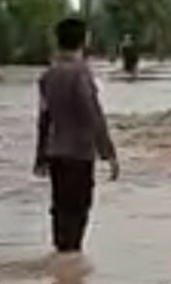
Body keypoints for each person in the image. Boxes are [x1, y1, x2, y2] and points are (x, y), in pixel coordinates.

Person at [34, 17, 119, 253]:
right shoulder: (81, 73)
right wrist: (108, 152)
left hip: (55, 152)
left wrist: (40, 156)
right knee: (78, 209)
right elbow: (92, 113)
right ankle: (71, 265)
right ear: (84, 40)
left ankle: (62, 260)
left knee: (59, 209)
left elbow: (44, 119)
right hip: (79, 153)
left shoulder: (48, 76)